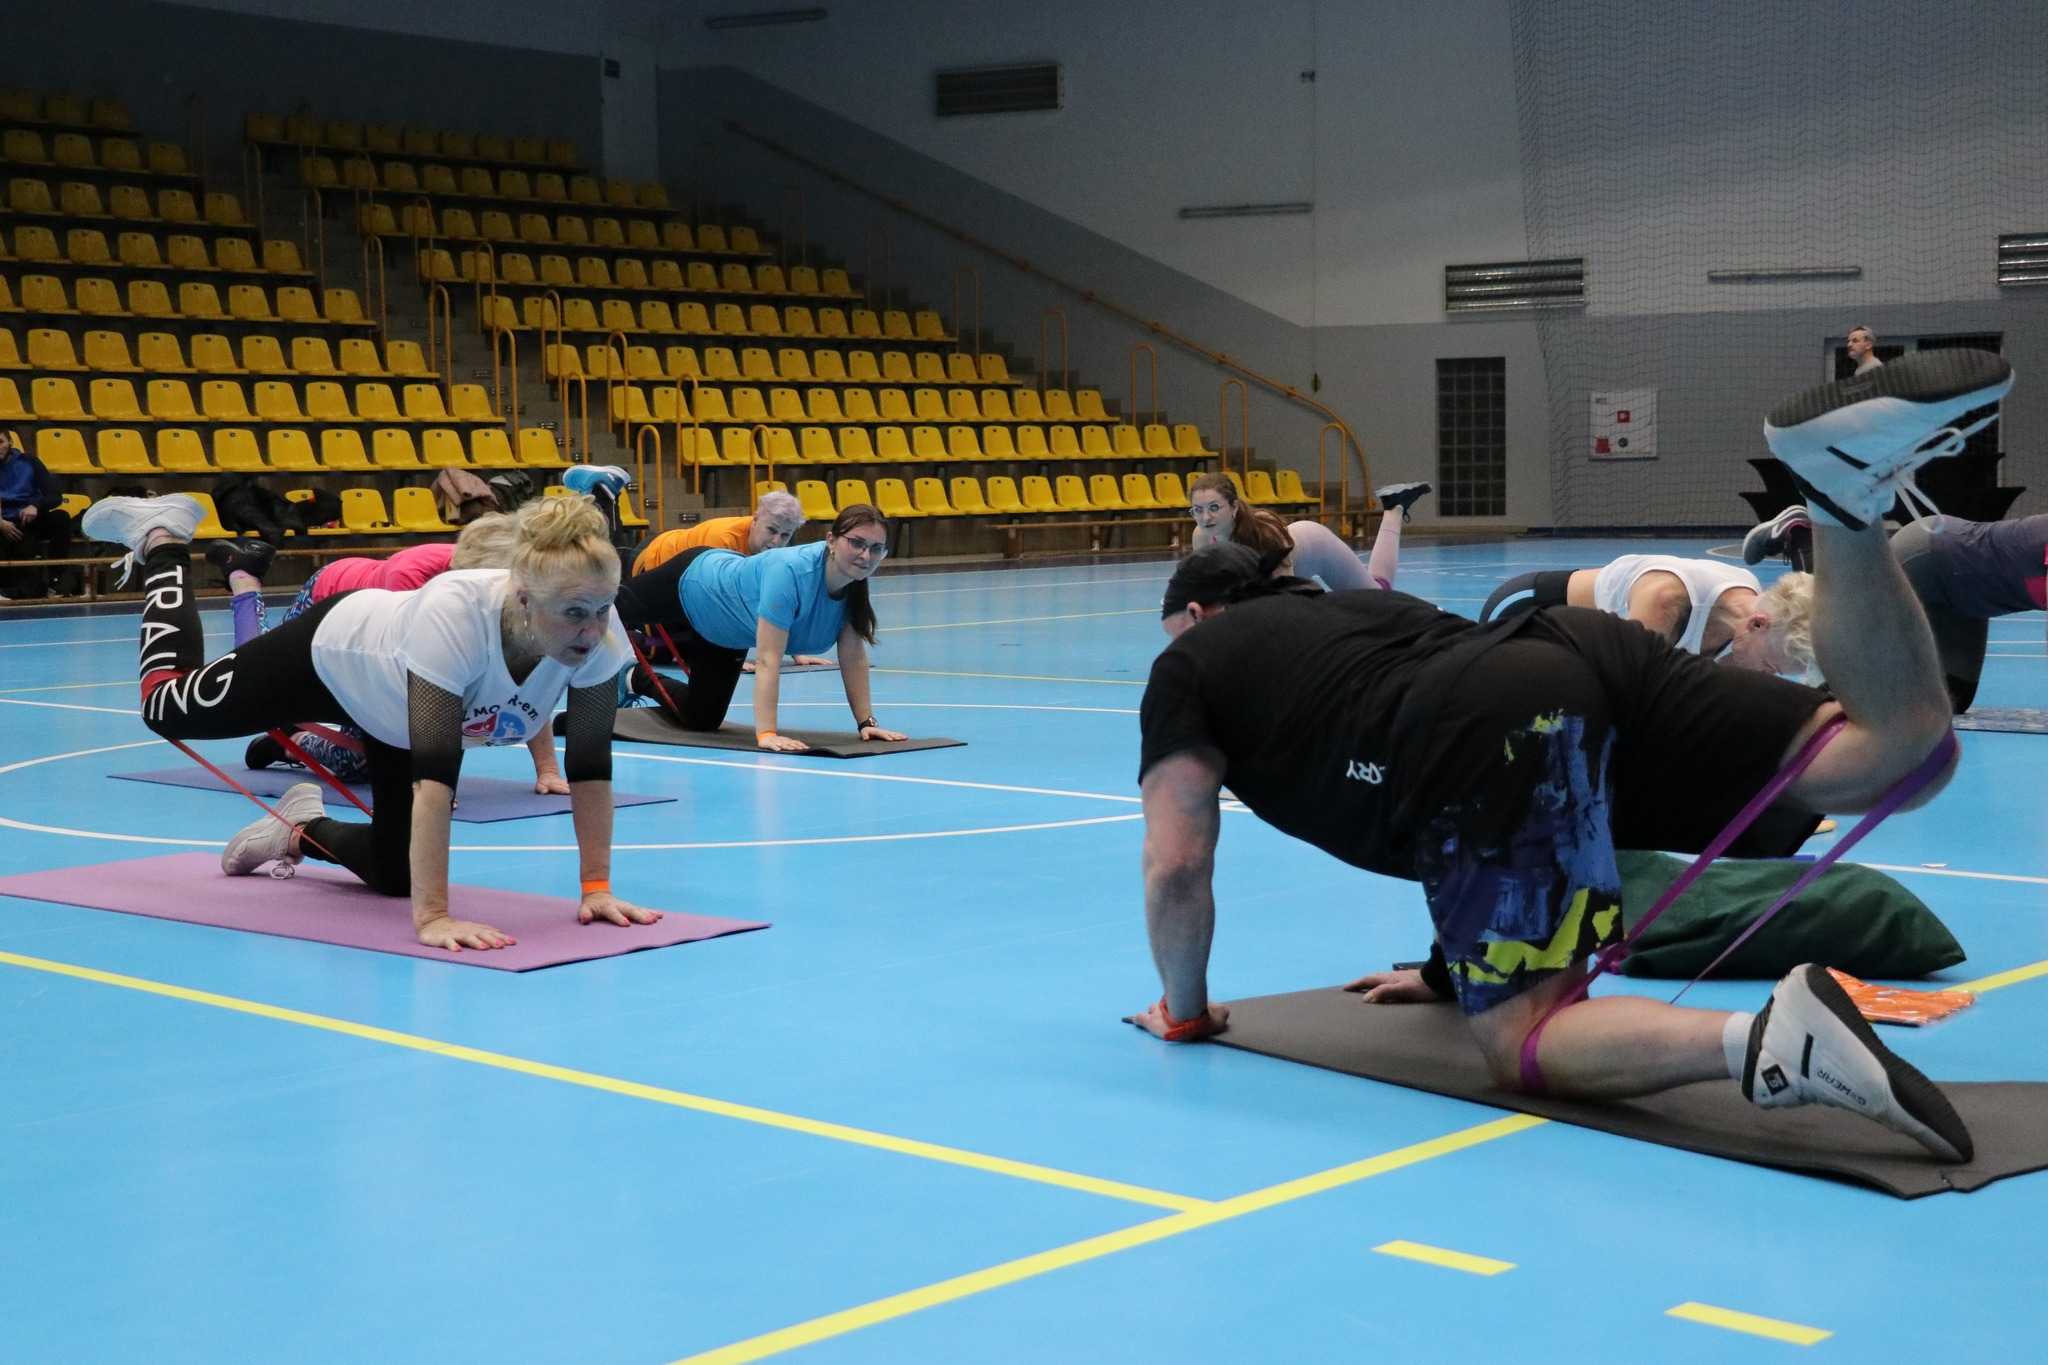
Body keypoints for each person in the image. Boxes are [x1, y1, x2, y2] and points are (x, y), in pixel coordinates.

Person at [1128, 347, 2015, 1164]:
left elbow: (1176, 863)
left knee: (1525, 1042)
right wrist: (1450, 965)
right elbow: (1448, 739)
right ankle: (1843, 500)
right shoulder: (1348, 611)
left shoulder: (1190, 665)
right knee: (1900, 753)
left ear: (1199, 617)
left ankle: (1767, 1042)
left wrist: (1187, 1008)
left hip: (1502, 730)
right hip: (1574, 653)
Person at [83, 490, 657, 952]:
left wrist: (597, 888)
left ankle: (298, 827)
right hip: (331, 656)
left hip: (393, 716)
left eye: (603, 608)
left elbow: (590, 770)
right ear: (525, 599)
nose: (592, 628)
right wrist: (433, 917)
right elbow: (435, 783)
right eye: (576, 613)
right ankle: (161, 541)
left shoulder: (598, 636)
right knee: (166, 707)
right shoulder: (456, 616)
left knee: (394, 874)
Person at [215, 518, 570, 790]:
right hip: (331, 612)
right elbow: (418, 691)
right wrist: (435, 783)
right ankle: (244, 579)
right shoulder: (413, 581)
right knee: (244, 681)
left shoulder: (510, 591)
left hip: (374, 633)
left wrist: (549, 771)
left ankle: (290, 744)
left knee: (361, 762)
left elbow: (527, 684)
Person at [610, 503, 908, 753]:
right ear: (831, 540)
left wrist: (866, 723)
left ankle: (632, 676)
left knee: (702, 718)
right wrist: (767, 734)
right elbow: (767, 660)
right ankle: (602, 506)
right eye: (856, 543)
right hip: (694, 582)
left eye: (876, 548)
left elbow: (853, 658)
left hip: (723, 631)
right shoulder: (790, 571)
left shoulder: (853, 587)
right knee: (605, 606)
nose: (865, 555)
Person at [1744, 504, 2048, 711]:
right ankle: (1801, 536)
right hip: (1928, 558)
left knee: (1951, 701)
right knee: (1834, 672)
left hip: (1961, 603)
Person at [1477, 553, 1807, 671]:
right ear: (1757, 623)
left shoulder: (1748, 623)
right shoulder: (1664, 603)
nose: (1768, 676)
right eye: (1770, 666)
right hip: (1527, 608)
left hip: (1582, 645)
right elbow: (1627, 694)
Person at [1187, 472, 1430, 592]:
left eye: (1214, 507)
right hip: (1291, 555)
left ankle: (1393, 508)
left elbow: (1290, 596)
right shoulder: (1201, 537)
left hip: (1317, 546)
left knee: (1378, 598)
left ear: (1234, 507)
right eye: (1198, 510)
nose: (1206, 517)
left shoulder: (1265, 536)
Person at [630, 491, 806, 574]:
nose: (776, 541)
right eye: (772, 530)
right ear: (755, 520)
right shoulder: (723, 540)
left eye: (785, 535)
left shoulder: (778, 551)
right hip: (652, 558)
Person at [0, 429, 77, 598]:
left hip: (30, 519)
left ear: (10, 442)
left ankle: (56, 580)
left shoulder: (30, 462)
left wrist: (36, 505)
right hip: (4, 523)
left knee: (61, 518)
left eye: (0, 442)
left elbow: (54, 495)